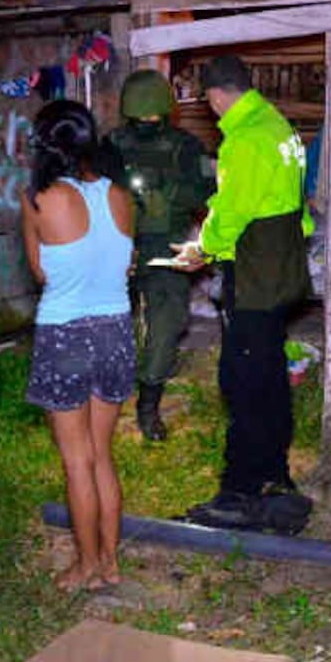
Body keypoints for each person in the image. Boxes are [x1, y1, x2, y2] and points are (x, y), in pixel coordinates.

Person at [172, 55, 316, 534]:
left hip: (255, 272)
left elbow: (233, 214)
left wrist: (202, 249)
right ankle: (275, 475)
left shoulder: (244, 139)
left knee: (244, 381)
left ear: (214, 96)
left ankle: (239, 493)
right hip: (283, 267)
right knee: (270, 377)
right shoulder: (279, 126)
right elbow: (289, 201)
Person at [20, 101, 136, 591]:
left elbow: (41, 271)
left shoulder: (40, 198)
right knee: (103, 456)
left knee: (77, 461)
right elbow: (124, 265)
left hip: (64, 333)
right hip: (115, 329)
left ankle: (86, 564)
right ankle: (109, 561)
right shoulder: (119, 195)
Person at [102, 70, 213, 441]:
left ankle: (148, 407)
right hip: (118, 250)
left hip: (166, 248)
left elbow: (204, 195)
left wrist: (167, 193)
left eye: (153, 118)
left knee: (165, 330)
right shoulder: (110, 146)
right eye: (140, 119)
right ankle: (106, 397)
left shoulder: (186, 147)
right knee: (112, 330)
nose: (147, 124)